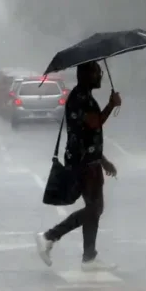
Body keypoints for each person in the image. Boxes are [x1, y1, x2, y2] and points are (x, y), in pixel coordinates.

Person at [35, 61, 121, 271]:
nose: (100, 76)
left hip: (90, 161)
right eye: (97, 72)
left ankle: (89, 257)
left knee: (95, 208)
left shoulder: (85, 96)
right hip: (82, 163)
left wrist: (103, 160)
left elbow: (89, 135)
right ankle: (50, 236)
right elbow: (94, 123)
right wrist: (111, 105)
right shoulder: (79, 98)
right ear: (86, 75)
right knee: (94, 208)